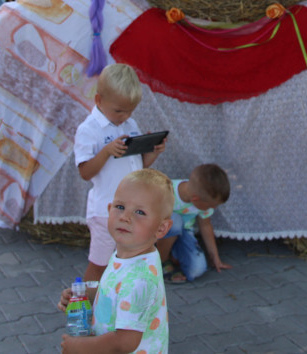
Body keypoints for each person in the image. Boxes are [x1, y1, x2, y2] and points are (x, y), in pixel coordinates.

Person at [58, 169, 173, 354]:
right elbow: (117, 288)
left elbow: (124, 342)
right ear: (109, 209)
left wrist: (79, 347)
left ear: (161, 228)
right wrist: (89, 294)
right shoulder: (128, 253)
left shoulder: (140, 279)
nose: (125, 217)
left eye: (140, 212)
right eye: (120, 207)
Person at [73, 63, 165, 286]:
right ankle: (86, 310)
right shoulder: (89, 129)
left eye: (130, 111)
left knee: (128, 264)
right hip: (105, 212)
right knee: (99, 265)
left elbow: (138, 167)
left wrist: (153, 151)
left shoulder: (130, 124)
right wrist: (106, 152)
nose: (125, 116)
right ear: (98, 101)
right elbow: (85, 172)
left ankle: (120, 307)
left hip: (131, 211)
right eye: (119, 110)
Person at [156, 163, 231, 283]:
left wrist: (215, 257)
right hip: (160, 234)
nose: (213, 208)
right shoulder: (166, 193)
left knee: (196, 270)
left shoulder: (201, 197)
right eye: (211, 206)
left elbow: (206, 225)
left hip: (184, 234)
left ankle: (173, 255)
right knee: (175, 221)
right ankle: (161, 262)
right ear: (195, 199)